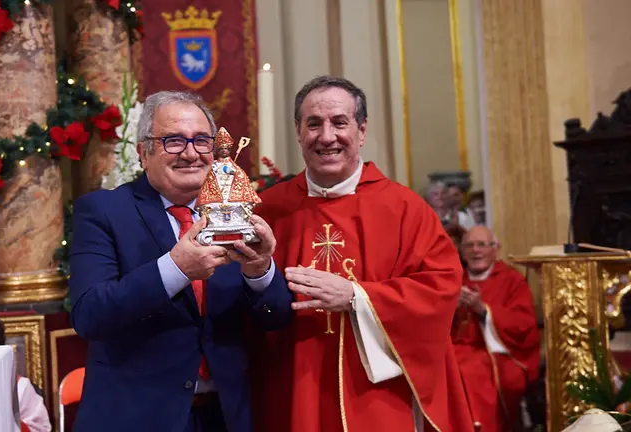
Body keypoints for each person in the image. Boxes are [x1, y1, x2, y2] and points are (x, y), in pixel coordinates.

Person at [252, 75, 474, 431]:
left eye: (340, 122)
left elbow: (442, 286)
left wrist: (358, 297)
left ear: (362, 130)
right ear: (298, 132)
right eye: (313, 124)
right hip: (293, 384)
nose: (327, 137)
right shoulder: (269, 209)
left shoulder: (404, 208)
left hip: (378, 396)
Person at [68, 90, 292, 432]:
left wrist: (260, 271)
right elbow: (90, 315)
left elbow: (275, 319)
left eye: (202, 141)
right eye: (173, 141)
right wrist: (175, 269)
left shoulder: (237, 214)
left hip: (227, 416)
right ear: (144, 153)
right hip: (137, 418)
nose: (191, 153)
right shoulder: (103, 211)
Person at [453, 226, 541, 431]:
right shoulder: (455, 280)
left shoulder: (512, 280)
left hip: (501, 352)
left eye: (482, 244)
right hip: (456, 349)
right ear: (462, 251)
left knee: (470, 369)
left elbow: (523, 324)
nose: (476, 250)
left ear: (496, 249)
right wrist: (451, 308)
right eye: (469, 245)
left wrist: (482, 310)